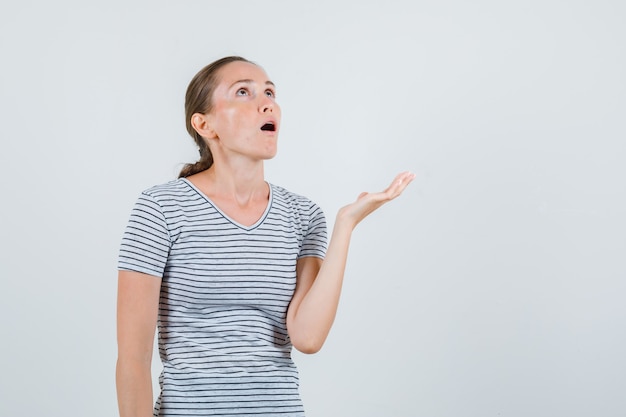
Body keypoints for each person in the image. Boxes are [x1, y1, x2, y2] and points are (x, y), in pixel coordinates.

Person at [115, 56, 414, 417]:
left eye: (270, 92)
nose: (267, 102)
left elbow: (308, 337)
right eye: (244, 91)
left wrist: (345, 226)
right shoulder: (161, 208)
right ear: (204, 124)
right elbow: (133, 360)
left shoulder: (303, 215)